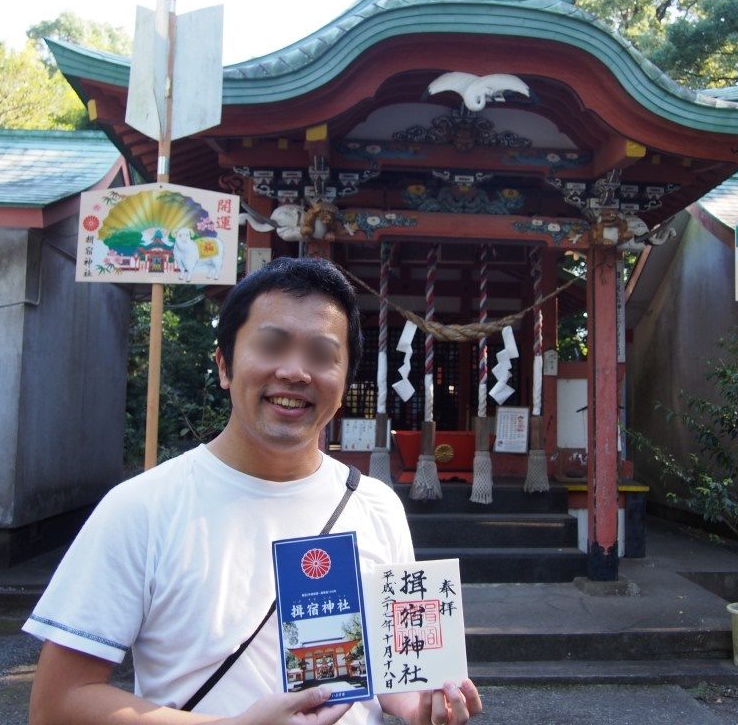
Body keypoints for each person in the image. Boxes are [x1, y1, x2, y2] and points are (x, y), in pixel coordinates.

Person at [24, 257, 483, 725]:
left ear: (343, 386)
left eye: (322, 356)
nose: (296, 372)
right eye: (272, 345)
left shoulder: (377, 506)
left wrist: (416, 702)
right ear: (224, 365)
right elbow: (57, 703)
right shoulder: (140, 508)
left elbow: (392, 670)